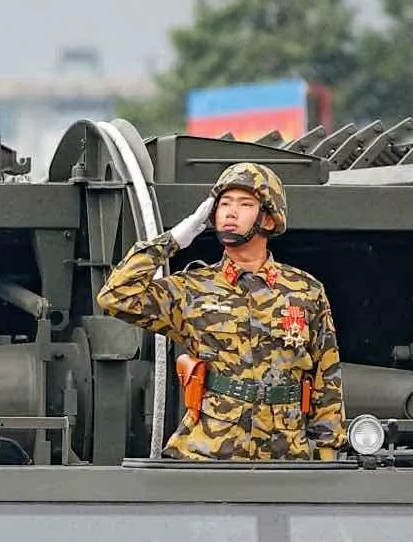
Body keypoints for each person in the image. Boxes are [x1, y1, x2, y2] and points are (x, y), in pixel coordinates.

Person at [97, 160, 346, 460]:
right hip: (210, 451)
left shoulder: (305, 290)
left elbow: (327, 378)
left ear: (268, 219)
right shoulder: (193, 289)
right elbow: (116, 296)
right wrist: (173, 240)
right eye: (224, 203)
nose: (230, 212)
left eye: (244, 204)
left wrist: (327, 456)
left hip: (286, 455)